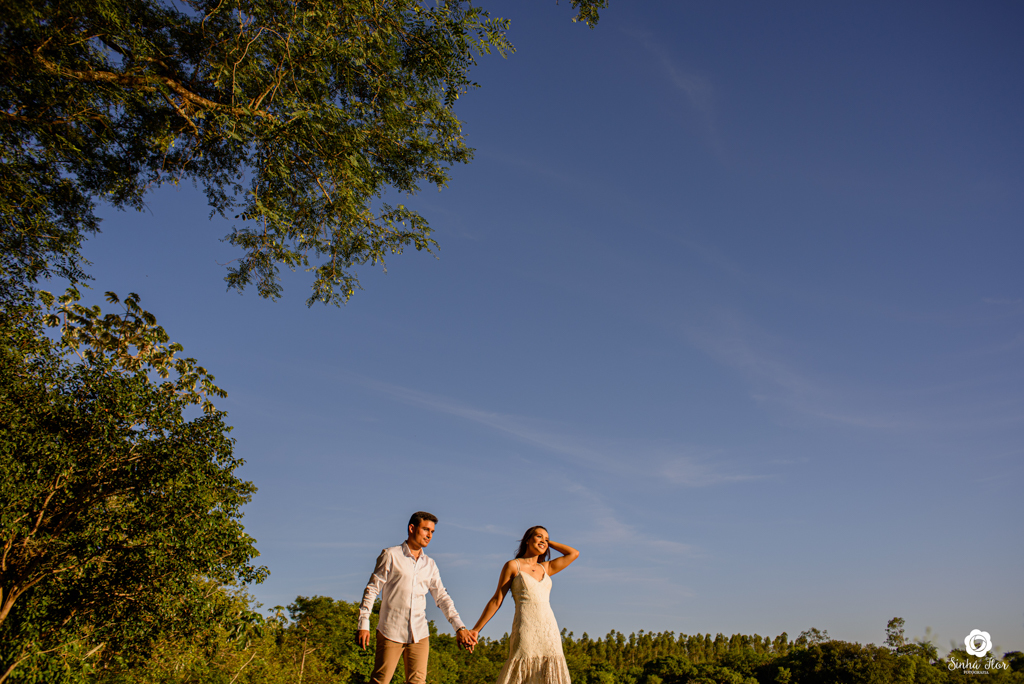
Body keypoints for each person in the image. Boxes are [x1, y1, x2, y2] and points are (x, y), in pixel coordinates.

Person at [357, 512, 477, 684]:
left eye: (432, 532)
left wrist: (459, 627)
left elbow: (442, 597)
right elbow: (372, 589)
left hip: (420, 634)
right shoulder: (391, 555)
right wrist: (364, 623)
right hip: (390, 631)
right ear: (412, 528)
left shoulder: (430, 564)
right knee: (380, 681)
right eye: (425, 529)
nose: (429, 535)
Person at [467, 526, 580, 684]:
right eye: (538, 536)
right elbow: (497, 600)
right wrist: (476, 629)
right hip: (526, 628)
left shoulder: (546, 568)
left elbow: (573, 553)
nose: (543, 540)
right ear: (527, 540)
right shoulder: (513, 566)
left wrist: (547, 543)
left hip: (549, 632)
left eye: (546, 538)